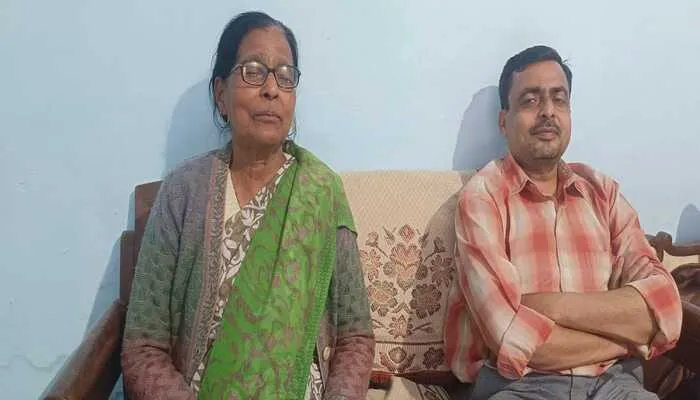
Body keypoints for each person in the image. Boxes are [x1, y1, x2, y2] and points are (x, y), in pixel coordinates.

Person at [121, 11, 375, 400]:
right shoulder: (182, 192)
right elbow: (143, 346)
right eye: (253, 71)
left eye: (285, 76)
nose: (272, 89)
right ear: (221, 94)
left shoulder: (322, 191)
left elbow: (355, 336)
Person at [444, 45, 682, 399]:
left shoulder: (602, 192)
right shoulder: (484, 198)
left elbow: (667, 308)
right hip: (522, 386)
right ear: (503, 122)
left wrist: (550, 306)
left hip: (615, 384)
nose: (548, 112)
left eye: (559, 99)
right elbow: (512, 337)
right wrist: (629, 337)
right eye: (530, 100)